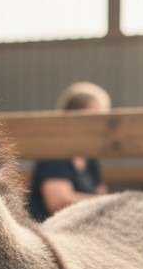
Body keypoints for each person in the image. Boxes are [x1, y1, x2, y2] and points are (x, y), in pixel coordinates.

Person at [28, 81, 111, 222]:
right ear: (72, 117)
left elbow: (101, 193)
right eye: (93, 117)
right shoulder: (55, 153)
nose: (97, 125)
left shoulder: (89, 158)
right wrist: (104, 203)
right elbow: (58, 202)